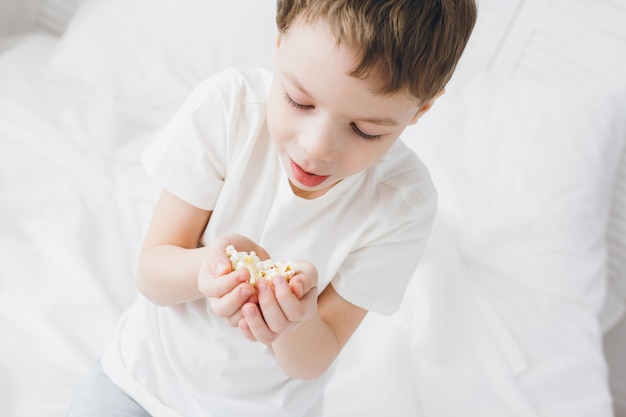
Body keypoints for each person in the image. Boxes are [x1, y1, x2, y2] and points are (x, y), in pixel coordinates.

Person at [67, 0, 476, 416]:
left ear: (421, 110)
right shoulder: (227, 110)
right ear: (279, 46)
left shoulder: (401, 204)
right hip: (139, 381)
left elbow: (312, 361)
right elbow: (152, 274)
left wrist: (295, 321)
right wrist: (209, 269)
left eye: (364, 130)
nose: (316, 148)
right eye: (299, 101)